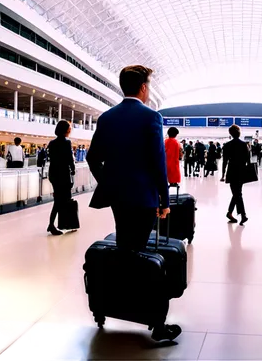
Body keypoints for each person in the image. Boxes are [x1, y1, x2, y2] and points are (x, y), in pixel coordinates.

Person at [86, 65, 180, 342]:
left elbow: (93, 158)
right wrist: (164, 199)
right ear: (143, 88)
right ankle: (154, 320)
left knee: (125, 248)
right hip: (144, 198)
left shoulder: (107, 117)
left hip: (118, 198)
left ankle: (120, 305)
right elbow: (157, 163)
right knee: (138, 254)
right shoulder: (151, 117)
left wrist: (109, 182)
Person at [47, 120, 76, 236]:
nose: (70, 130)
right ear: (65, 129)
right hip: (63, 174)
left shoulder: (52, 143)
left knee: (59, 200)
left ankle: (60, 223)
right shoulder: (66, 142)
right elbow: (69, 159)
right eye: (69, 128)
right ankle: (57, 224)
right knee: (63, 200)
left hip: (54, 174)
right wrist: (73, 170)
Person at [221, 125, 250, 225]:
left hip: (232, 171)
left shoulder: (227, 145)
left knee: (236, 194)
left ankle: (232, 213)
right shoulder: (243, 145)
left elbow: (224, 161)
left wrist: (223, 174)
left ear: (230, 134)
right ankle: (242, 215)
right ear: (239, 132)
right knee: (238, 193)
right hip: (241, 171)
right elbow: (248, 159)